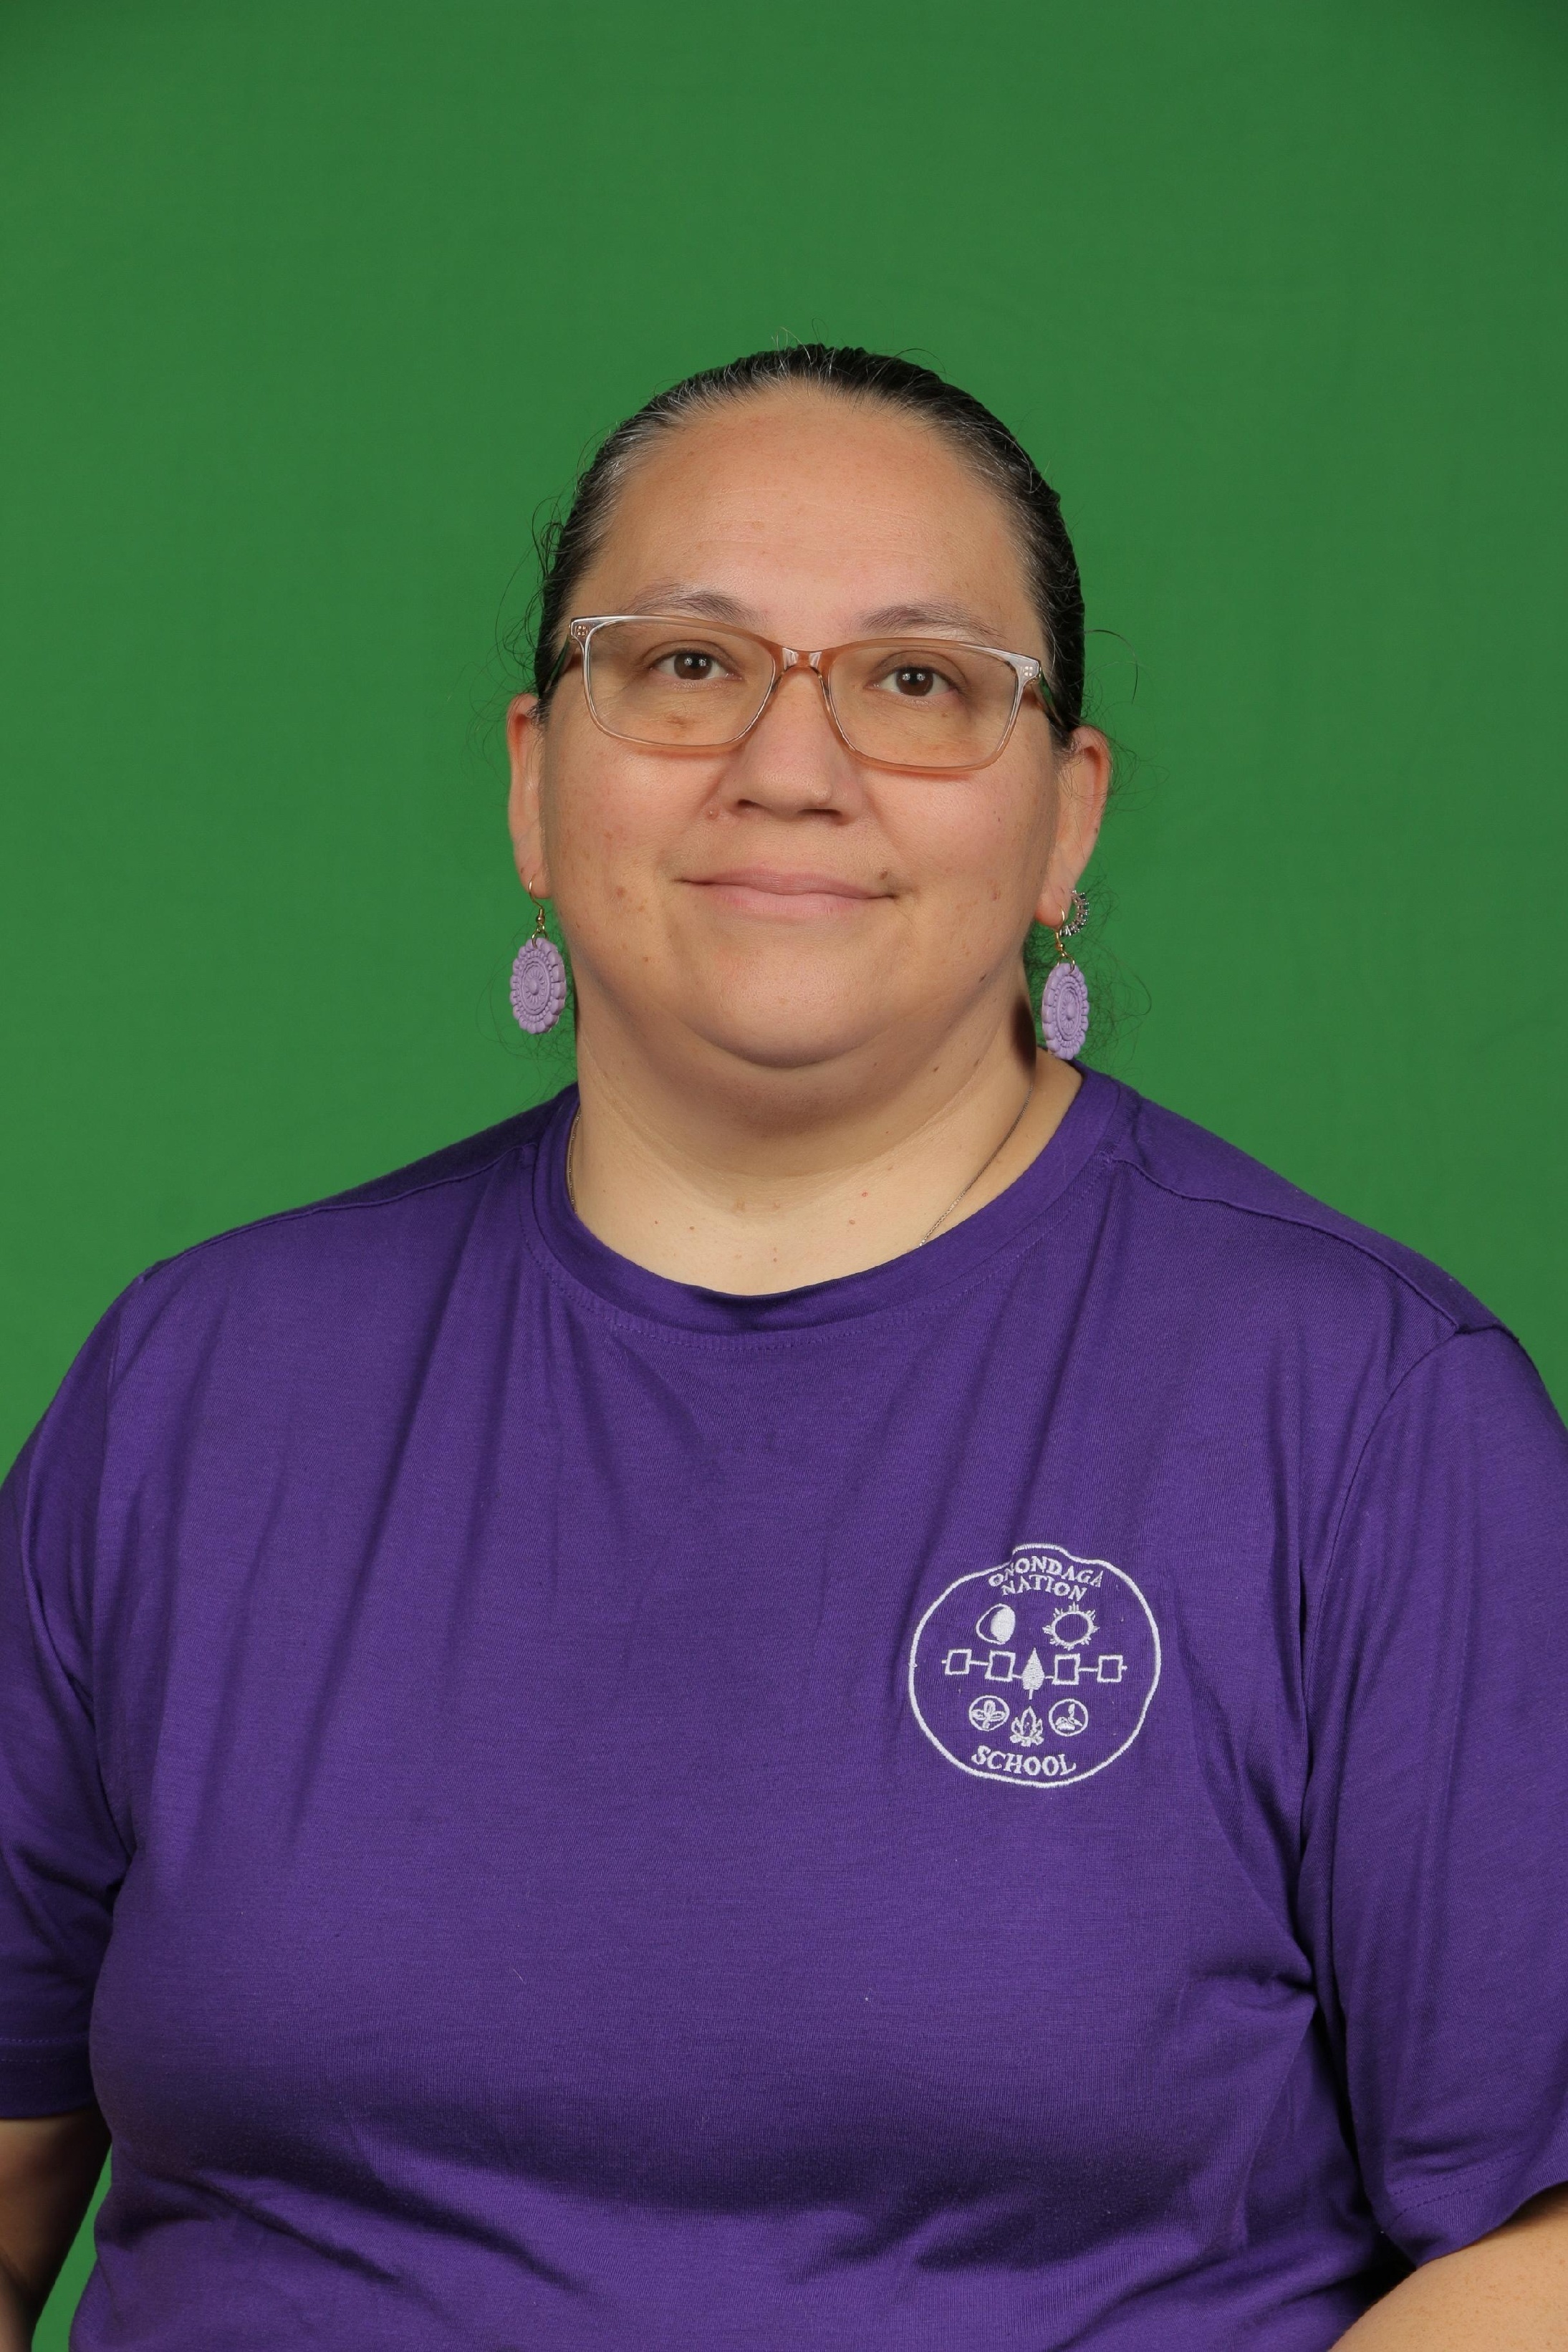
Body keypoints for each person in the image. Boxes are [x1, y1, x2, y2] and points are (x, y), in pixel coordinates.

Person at [1, 345, 1566, 2352]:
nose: (789, 762)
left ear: (1067, 822)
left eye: (918, 680)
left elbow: (1543, 2247)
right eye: (686, 664)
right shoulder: (198, 1390)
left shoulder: (1366, 1414)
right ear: (534, 781)